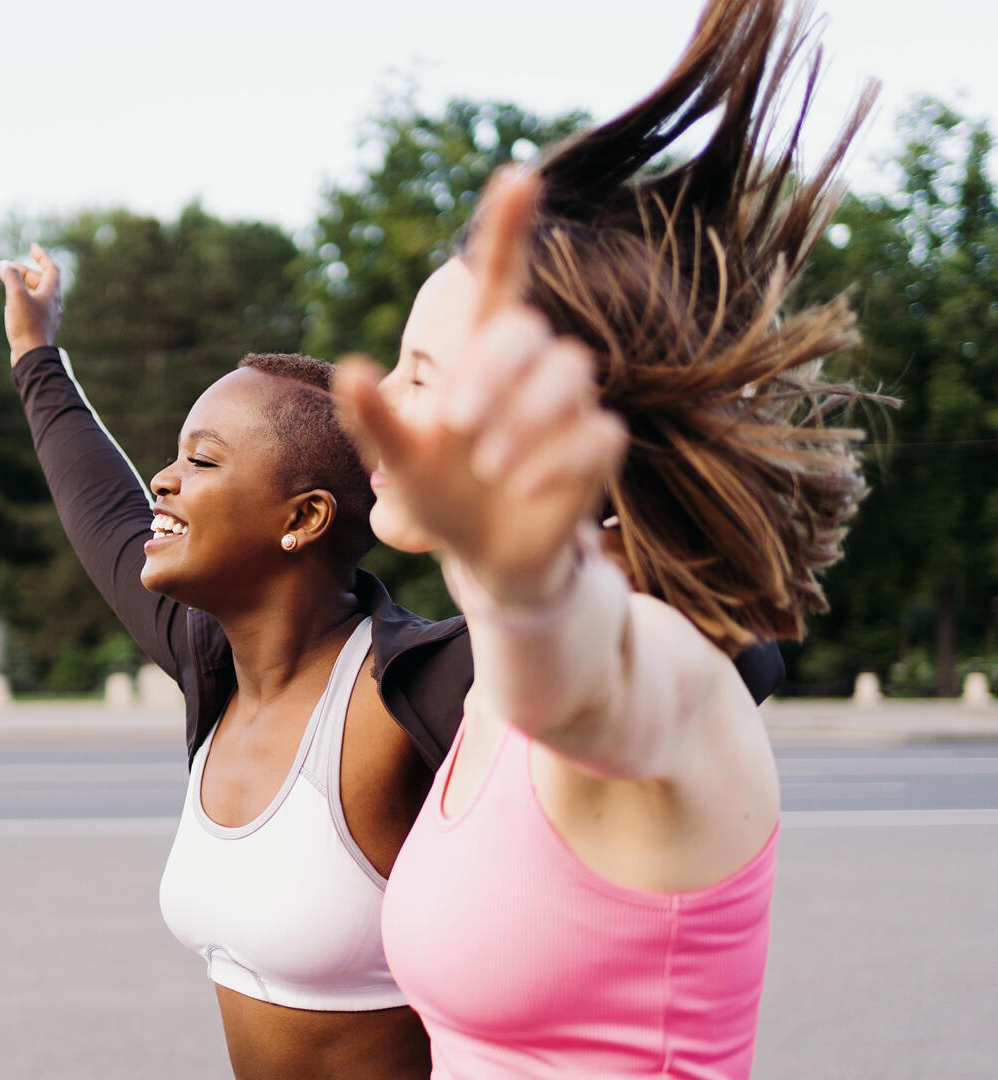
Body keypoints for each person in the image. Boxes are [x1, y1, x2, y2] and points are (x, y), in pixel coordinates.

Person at [340, 2, 881, 1076]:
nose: (378, 403)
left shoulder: (665, 673)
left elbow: (577, 679)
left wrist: (522, 574)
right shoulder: (487, 676)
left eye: (426, 376)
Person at [1, 245, 470, 1079]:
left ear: (305, 516)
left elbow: (708, 654)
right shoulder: (213, 663)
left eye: (202, 460)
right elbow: (100, 504)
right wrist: (37, 350)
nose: (163, 481)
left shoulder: (416, 689)